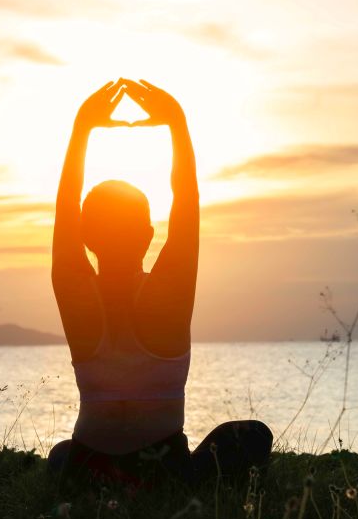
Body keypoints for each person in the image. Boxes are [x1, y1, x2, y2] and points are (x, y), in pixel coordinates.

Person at [48, 78, 272, 488]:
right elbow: (186, 203)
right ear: (148, 235)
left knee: (63, 453)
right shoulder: (166, 294)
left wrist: (83, 128)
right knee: (253, 434)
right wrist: (176, 124)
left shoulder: (74, 291)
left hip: (88, 469)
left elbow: (64, 212)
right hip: (163, 474)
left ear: (84, 238)